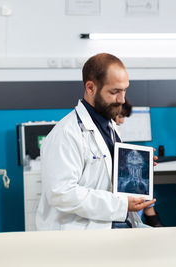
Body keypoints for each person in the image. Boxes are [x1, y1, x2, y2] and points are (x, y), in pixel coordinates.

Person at [36, 53, 156, 230]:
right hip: (79, 232)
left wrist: (133, 163)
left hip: (111, 222)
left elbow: (103, 174)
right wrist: (121, 205)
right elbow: (61, 193)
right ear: (90, 88)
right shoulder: (66, 134)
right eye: (115, 92)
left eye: (125, 90)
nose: (122, 99)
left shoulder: (109, 125)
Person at [114, 100, 164, 227]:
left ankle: (156, 226)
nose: (122, 121)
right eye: (120, 116)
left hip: (133, 215)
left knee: (145, 198)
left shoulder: (114, 134)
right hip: (116, 215)